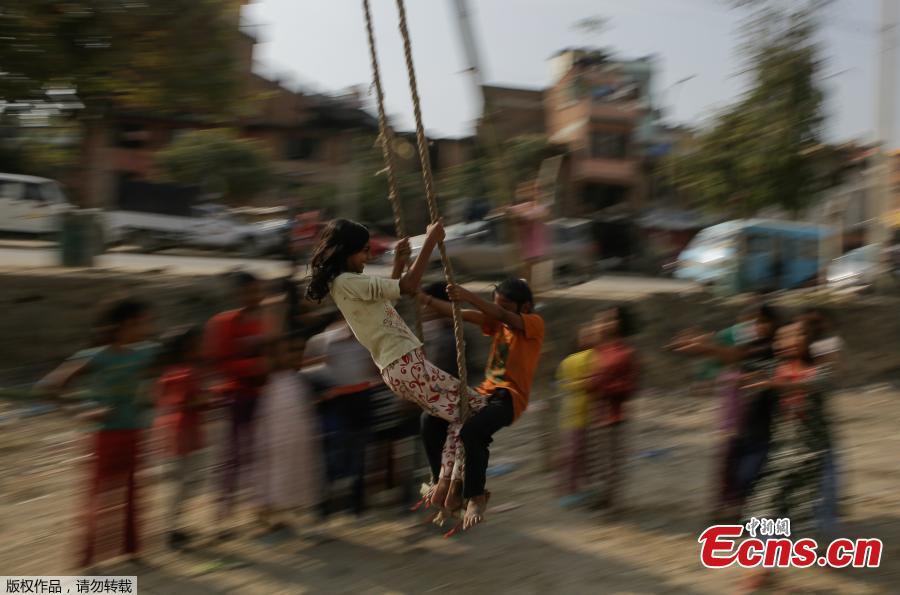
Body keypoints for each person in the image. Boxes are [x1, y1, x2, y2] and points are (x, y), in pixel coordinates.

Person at [305, 219, 495, 529]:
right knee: (477, 410)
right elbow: (408, 287)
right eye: (364, 251)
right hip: (405, 364)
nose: (368, 256)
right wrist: (430, 241)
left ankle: (446, 487)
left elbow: (388, 298)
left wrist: (398, 262)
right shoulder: (347, 282)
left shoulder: (349, 283)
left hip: (400, 367)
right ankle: (451, 486)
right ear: (347, 251)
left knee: (462, 415)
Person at [36, 298, 157, 568]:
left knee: (133, 492)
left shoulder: (146, 353)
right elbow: (48, 386)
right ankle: (88, 557)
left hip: (134, 432)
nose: (149, 327)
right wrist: (81, 410)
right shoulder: (96, 357)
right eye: (145, 322)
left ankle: (132, 550)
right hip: (105, 436)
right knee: (99, 495)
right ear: (128, 324)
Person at [420, 277, 545, 530]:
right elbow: (459, 313)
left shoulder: (533, 323)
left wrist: (466, 294)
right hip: (483, 393)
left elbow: (502, 315)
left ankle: (476, 495)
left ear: (525, 307)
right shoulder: (498, 323)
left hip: (509, 398)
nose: (498, 310)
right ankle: (440, 478)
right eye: (496, 305)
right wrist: (426, 299)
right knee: (430, 418)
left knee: (472, 432)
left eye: (505, 306)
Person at [740, 321, 835, 591]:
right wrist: (708, 350)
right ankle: (765, 568)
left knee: (787, 513)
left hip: (810, 455)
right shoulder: (775, 368)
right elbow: (737, 360)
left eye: (795, 335)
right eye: (782, 337)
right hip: (782, 455)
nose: (786, 342)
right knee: (765, 509)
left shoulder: (820, 371)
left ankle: (768, 567)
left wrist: (776, 384)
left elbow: (811, 384)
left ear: (808, 341)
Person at [204, 271, 269, 527]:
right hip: (235, 394)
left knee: (261, 451)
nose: (255, 296)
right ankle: (223, 507)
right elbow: (216, 362)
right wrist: (252, 367)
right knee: (231, 453)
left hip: (263, 394)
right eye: (250, 291)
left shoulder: (268, 321)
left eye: (258, 291)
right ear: (239, 294)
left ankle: (257, 505)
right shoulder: (223, 322)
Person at [304, 313, 380, 517]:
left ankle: (356, 503)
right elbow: (310, 368)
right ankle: (326, 503)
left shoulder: (367, 338)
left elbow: (374, 369)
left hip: (362, 398)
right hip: (337, 402)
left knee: (360, 451)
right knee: (334, 451)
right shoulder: (325, 341)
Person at [255, 335, 322, 530]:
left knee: (295, 469)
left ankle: (287, 512)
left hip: (296, 437)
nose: (293, 356)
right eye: (287, 352)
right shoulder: (273, 384)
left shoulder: (297, 380)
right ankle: (271, 514)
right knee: (277, 472)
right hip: (279, 439)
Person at [154, 325, 208, 550]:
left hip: (171, 430)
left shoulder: (168, 373)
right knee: (186, 482)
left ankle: (173, 527)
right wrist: (209, 398)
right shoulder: (188, 373)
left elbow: (161, 400)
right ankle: (171, 530)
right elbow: (191, 401)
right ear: (189, 347)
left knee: (180, 482)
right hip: (185, 430)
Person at [586, 306, 639, 511]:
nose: (604, 324)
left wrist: (603, 386)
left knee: (611, 460)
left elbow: (630, 386)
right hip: (596, 412)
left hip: (614, 415)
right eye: (602, 320)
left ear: (620, 323)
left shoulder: (627, 352)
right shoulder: (598, 350)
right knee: (597, 459)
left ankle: (612, 501)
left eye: (610, 320)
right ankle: (601, 498)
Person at [555, 324, 600, 507]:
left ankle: (581, 487)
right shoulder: (578, 359)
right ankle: (569, 489)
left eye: (592, 334)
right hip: (576, 412)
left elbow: (565, 383)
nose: (590, 338)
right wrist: (584, 382)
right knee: (574, 452)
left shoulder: (594, 357)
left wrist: (581, 382)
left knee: (583, 452)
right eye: (587, 335)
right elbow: (565, 383)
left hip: (587, 412)